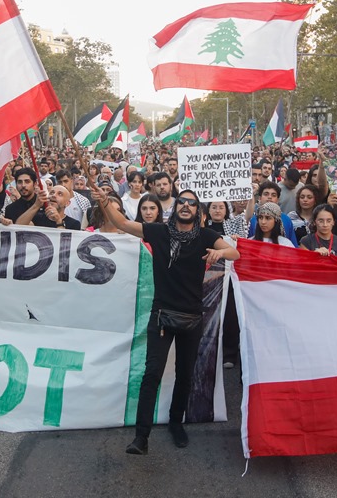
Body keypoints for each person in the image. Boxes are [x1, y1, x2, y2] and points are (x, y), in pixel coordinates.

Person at [94, 188, 239, 455]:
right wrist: (105, 202)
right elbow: (122, 224)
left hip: (192, 317)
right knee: (152, 374)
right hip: (161, 314)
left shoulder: (207, 236)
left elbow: (235, 254)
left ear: (198, 211)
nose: (186, 206)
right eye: (181, 202)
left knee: (185, 375)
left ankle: (175, 423)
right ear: (175, 208)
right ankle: (141, 437)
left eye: (191, 203)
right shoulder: (158, 231)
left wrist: (221, 253)